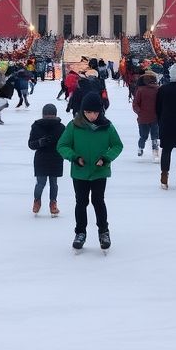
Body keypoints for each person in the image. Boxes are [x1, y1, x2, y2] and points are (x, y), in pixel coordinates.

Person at [57, 92, 123, 251]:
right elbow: (62, 145)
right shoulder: (73, 126)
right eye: (88, 112)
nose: (92, 116)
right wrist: (74, 157)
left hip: (100, 171)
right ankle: (80, 232)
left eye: (95, 112)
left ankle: (103, 232)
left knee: (98, 201)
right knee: (81, 202)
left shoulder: (107, 126)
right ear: (82, 111)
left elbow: (117, 145)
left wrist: (106, 158)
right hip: (80, 172)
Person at [28, 103, 66, 215]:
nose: (49, 117)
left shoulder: (61, 127)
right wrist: (40, 142)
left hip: (55, 158)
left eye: (51, 115)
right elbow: (31, 144)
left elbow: (66, 144)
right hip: (42, 159)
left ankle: (53, 203)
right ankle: (37, 201)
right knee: (41, 182)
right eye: (47, 115)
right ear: (43, 115)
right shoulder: (36, 126)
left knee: (53, 183)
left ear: (55, 115)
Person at [130, 70, 161, 160]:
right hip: (155, 116)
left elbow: (135, 104)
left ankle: (140, 148)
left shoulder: (140, 90)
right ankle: (155, 151)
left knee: (143, 135)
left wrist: (139, 112)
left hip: (143, 117)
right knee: (155, 135)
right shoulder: (158, 90)